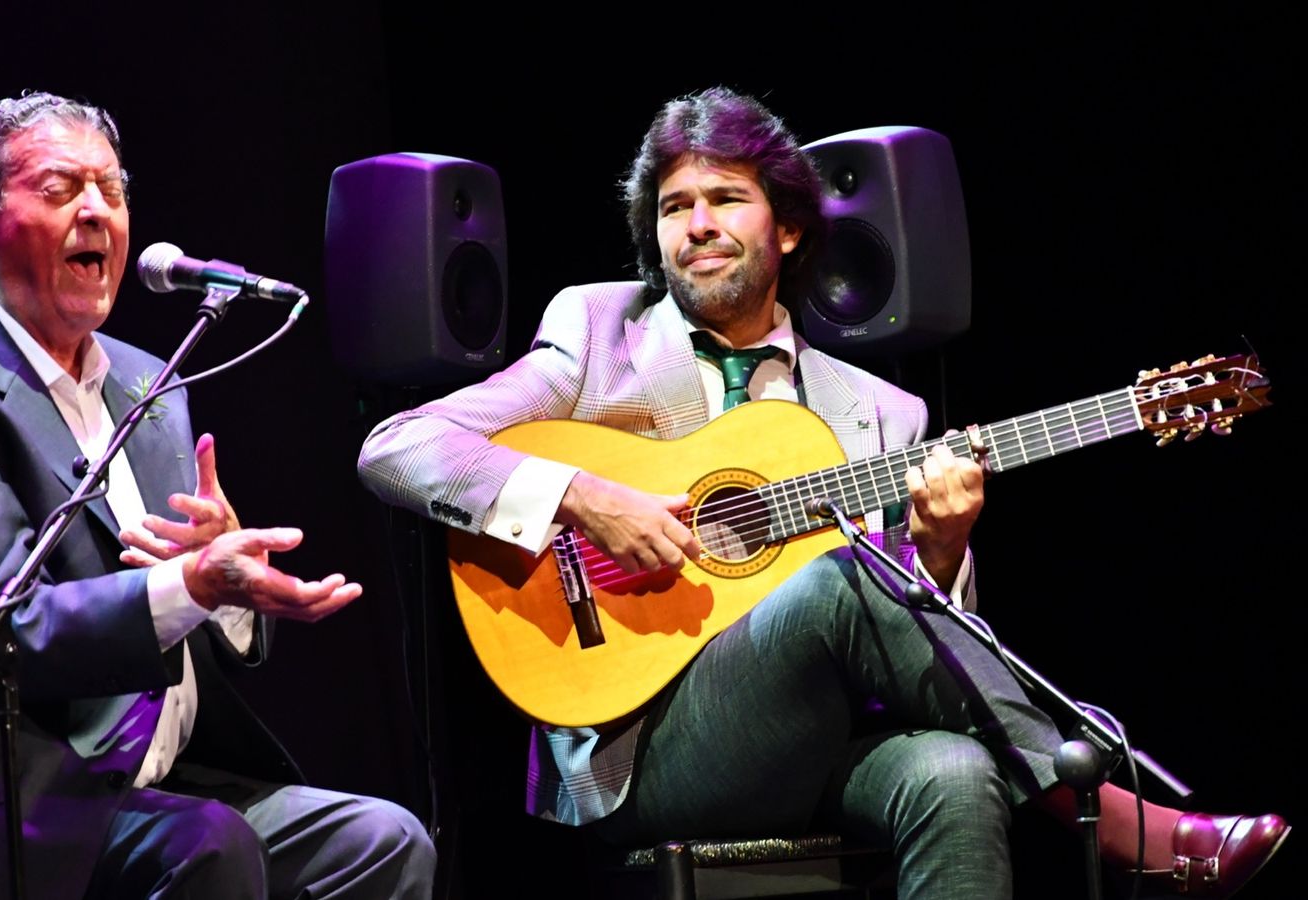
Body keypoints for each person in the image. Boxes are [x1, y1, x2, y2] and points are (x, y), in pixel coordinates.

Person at [356, 87, 1286, 898]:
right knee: (841, 579)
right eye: (676, 206)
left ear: (788, 227)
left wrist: (945, 549)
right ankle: (1119, 823)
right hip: (645, 752)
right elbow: (398, 448)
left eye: (727, 198)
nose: (698, 225)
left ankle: (1088, 812)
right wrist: (583, 498)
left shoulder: (880, 412)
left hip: (824, 738)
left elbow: (924, 639)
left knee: (954, 770)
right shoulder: (598, 332)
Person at [0, 92, 434, 900]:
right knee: (210, 848)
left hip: (142, 782)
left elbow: (179, 599)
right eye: (61, 188)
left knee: (382, 844)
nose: (97, 212)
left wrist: (226, 583)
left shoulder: (146, 379)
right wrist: (192, 584)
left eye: (112, 189)